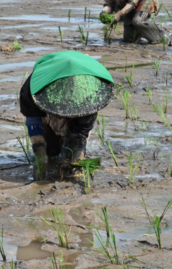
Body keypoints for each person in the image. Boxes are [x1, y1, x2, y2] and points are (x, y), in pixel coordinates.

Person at [19, 51, 114, 180]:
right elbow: (33, 119)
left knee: (71, 155)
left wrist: (78, 155)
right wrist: (39, 149)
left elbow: (81, 131)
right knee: (51, 151)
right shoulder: (32, 89)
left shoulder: (89, 96)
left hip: (82, 86)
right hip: (49, 90)